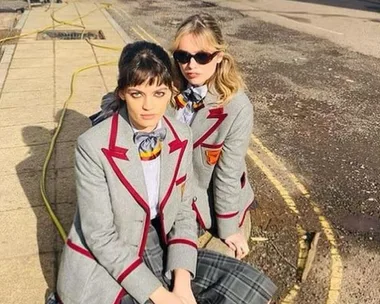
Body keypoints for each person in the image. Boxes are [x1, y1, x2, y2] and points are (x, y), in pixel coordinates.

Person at [57, 41, 276, 304]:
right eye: (137, 93)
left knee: (249, 288)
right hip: (111, 253)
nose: (148, 106)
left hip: (158, 237)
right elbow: (100, 237)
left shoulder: (181, 135)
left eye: (159, 93)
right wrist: (162, 296)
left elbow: (183, 211)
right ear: (122, 93)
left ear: (171, 91)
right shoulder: (92, 145)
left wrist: (182, 284)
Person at [170, 13, 255, 260]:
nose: (191, 65)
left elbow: (228, 172)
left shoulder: (237, 106)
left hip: (202, 195)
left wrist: (229, 229)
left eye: (202, 56)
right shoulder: (167, 87)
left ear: (218, 58)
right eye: (183, 56)